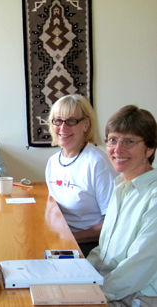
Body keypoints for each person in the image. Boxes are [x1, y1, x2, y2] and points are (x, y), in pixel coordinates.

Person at [87, 105, 157, 306]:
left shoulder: (154, 197)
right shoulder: (119, 186)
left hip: (138, 297)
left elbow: (139, 266)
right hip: (109, 286)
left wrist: (90, 293)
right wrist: (78, 273)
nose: (118, 149)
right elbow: (104, 251)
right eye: (113, 140)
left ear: (150, 148)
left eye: (129, 141)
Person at [45, 94, 117, 256]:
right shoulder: (53, 162)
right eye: (58, 120)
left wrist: (68, 238)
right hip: (63, 238)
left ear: (86, 125)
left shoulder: (97, 163)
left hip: (92, 244)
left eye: (71, 121)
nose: (63, 128)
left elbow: (112, 224)